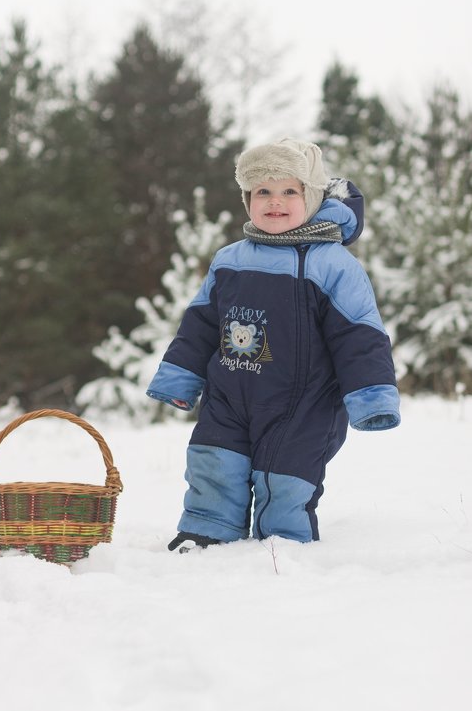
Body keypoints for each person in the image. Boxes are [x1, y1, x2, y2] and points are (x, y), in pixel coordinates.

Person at [146, 139, 400, 552]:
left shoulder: (332, 264)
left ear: (312, 197)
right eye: (262, 191)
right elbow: (201, 323)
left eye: (289, 191)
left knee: (285, 477)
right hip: (229, 394)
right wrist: (179, 378)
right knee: (214, 462)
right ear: (247, 199)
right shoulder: (230, 259)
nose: (275, 202)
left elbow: (358, 335)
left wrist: (371, 397)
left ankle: (281, 545)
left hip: (304, 403)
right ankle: (206, 530)